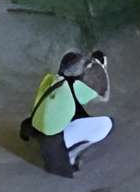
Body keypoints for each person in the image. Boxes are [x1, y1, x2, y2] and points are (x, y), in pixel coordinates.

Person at [21, 49, 111, 177]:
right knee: (107, 124)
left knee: (75, 110)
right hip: (54, 143)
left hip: (35, 127)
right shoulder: (75, 89)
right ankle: (71, 155)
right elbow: (103, 95)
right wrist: (101, 67)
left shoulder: (50, 79)